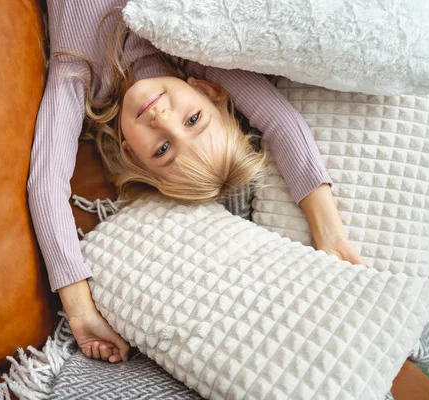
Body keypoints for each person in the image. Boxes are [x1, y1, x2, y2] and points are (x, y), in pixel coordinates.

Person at [28, 0, 362, 365]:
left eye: (163, 149)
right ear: (208, 90)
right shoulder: (187, 41)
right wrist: (330, 233)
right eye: (192, 120)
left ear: (131, 154)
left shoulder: (76, 77)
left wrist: (79, 309)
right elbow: (280, 122)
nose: (162, 118)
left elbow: (46, 184)